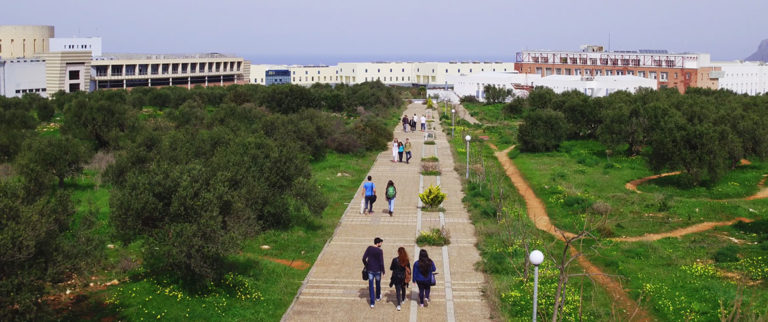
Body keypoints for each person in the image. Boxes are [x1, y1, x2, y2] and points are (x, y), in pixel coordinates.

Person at [362, 237, 385, 308]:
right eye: (380, 243)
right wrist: (383, 270)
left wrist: (366, 265)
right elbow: (381, 262)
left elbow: (363, 258)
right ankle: (378, 297)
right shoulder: (380, 251)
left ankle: (372, 303)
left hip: (370, 270)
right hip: (378, 270)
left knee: (371, 286)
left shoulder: (369, 248)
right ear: (378, 243)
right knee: (378, 284)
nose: (381, 244)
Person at [389, 247, 411, 311]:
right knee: (403, 288)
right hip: (403, 277)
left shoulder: (395, 260)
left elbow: (391, 268)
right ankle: (403, 299)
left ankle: (398, 305)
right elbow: (409, 269)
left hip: (396, 277)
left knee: (398, 291)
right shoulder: (406, 260)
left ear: (398, 252)